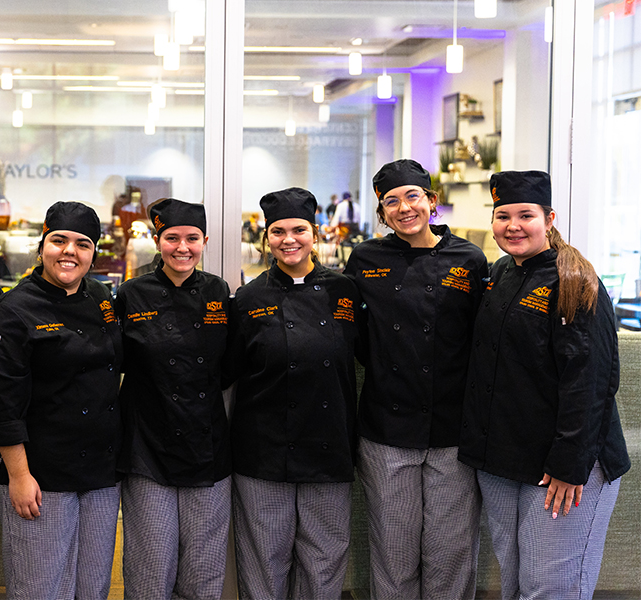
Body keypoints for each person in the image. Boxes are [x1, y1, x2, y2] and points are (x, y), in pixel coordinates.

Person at [460, 170, 630, 600]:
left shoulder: (574, 280)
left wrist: (569, 466)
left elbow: (591, 383)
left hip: (564, 466)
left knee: (550, 587)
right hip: (504, 459)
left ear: (549, 218)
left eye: (526, 215)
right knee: (516, 582)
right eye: (502, 216)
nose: (513, 226)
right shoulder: (501, 272)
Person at [343, 159, 488, 599]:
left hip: (453, 430)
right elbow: (355, 334)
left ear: (431, 202)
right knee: (393, 551)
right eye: (391, 201)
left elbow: (482, 339)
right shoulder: (365, 259)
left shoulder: (470, 258)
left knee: (451, 550)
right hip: (388, 426)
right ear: (382, 212)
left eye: (412, 197)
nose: (404, 208)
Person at [0, 201, 123, 600]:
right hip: (40, 472)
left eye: (82, 244)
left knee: (93, 587)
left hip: (99, 472)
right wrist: (20, 476)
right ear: (42, 245)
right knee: (40, 588)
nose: (69, 252)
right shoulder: (12, 311)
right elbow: (2, 402)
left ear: (94, 252)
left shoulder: (100, 298)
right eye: (59, 240)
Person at [227, 187, 361, 599]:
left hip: (328, 444)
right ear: (267, 238)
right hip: (264, 448)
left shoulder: (346, 291)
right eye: (278, 231)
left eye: (299, 229)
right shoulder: (248, 299)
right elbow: (231, 371)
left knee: (325, 558)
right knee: (264, 560)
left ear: (315, 232)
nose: (289, 239)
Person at [115, 199, 232, 600]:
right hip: (149, 445)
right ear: (156, 240)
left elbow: (228, 366)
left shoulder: (219, 291)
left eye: (192, 239)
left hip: (208, 448)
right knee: (151, 565)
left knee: (204, 568)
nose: (182, 247)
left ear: (204, 241)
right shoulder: (131, 295)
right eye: (172, 238)